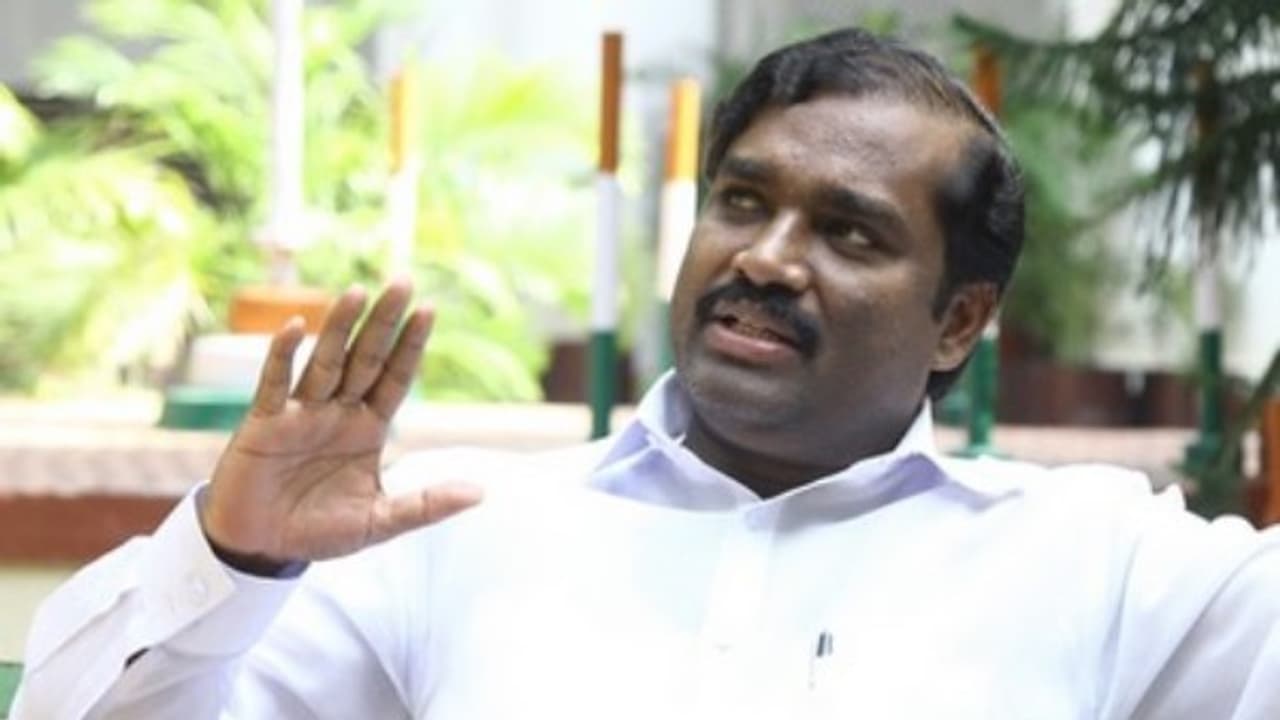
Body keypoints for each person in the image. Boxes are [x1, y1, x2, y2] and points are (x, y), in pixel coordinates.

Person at [12, 27, 1280, 719]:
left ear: (956, 321)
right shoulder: (451, 530)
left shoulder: (1097, 561)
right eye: (742, 201)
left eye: (848, 234)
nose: (764, 258)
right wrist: (232, 558)